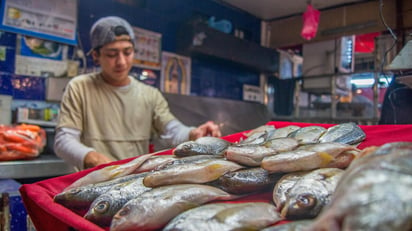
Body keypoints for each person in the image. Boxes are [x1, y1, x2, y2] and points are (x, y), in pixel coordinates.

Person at [54, 16, 221, 170]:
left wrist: (194, 133)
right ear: (96, 55)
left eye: (127, 52)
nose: (121, 61)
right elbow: (64, 140)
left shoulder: (150, 95)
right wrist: (93, 158)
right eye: (112, 54)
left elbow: (172, 130)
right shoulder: (80, 88)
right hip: (93, 179)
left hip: (133, 181)